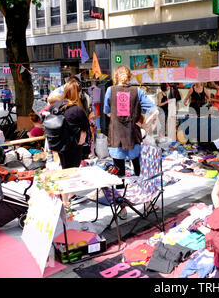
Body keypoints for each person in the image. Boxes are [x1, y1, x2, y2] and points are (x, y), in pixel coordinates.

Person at [104, 65, 159, 219]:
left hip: (116, 136)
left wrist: (117, 120)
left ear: (116, 77)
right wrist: (143, 123)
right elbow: (155, 110)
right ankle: (146, 201)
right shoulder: (137, 91)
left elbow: (107, 112)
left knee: (119, 172)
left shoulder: (110, 91)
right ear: (130, 77)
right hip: (133, 136)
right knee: (138, 170)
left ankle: (122, 208)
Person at [48, 79, 91, 206]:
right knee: (71, 172)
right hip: (73, 146)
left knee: (65, 169)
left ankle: (68, 196)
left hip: (59, 143)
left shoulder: (55, 106)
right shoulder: (76, 110)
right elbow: (86, 127)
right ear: (77, 93)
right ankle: (66, 200)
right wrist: (82, 140)